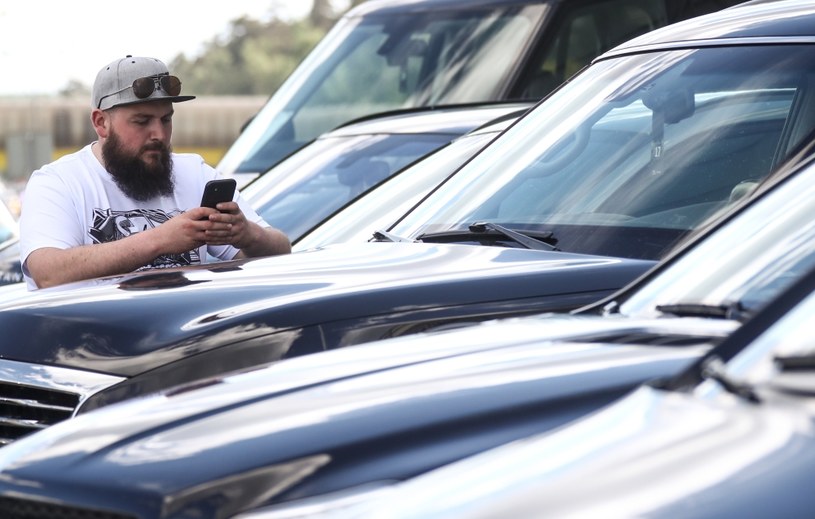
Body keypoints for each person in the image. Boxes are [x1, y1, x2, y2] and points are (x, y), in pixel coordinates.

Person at [19, 55, 291, 290]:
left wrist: (247, 235)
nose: (159, 134)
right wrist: (160, 240)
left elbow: (282, 251)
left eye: (166, 119)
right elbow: (48, 274)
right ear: (101, 123)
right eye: (142, 121)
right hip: (95, 346)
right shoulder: (59, 182)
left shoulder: (196, 173)